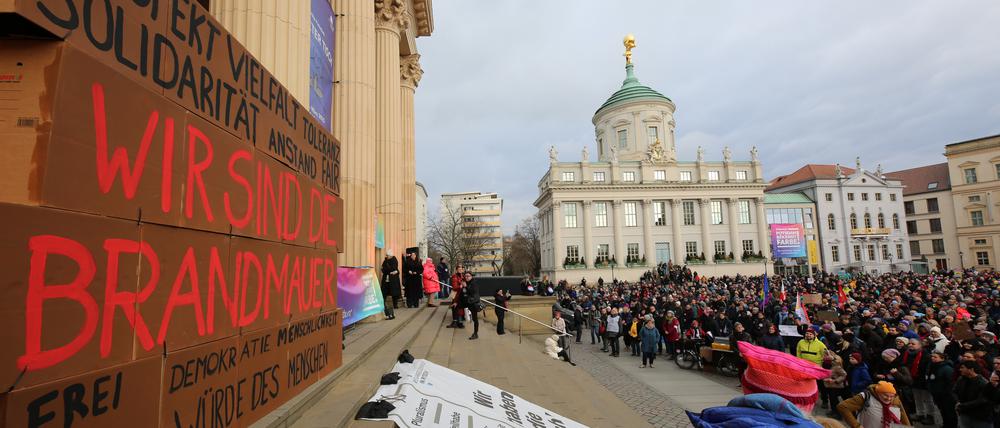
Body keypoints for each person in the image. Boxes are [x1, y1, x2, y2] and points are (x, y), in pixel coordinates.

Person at [836, 380, 911, 428]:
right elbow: (843, 407)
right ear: (878, 392)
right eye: (885, 395)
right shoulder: (865, 397)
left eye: (891, 396)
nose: (888, 398)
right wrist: (856, 425)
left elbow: (903, 415)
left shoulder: (896, 400)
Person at [954, 360, 993, 428]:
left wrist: (961, 405)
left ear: (971, 369)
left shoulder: (983, 383)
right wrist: (957, 402)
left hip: (980, 418)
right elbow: (954, 391)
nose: (960, 369)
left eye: (962, 367)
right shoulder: (961, 379)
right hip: (964, 414)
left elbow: (982, 400)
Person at [926, 351, 957, 428]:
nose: (932, 358)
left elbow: (951, 382)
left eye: (935, 357)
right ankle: (945, 424)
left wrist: (946, 392)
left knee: (949, 412)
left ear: (942, 358)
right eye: (932, 356)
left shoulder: (947, 368)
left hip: (946, 395)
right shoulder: (933, 365)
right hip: (937, 393)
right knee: (943, 411)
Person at [822, 351, 848, 417]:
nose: (823, 357)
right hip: (829, 386)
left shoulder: (836, 365)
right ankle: (833, 411)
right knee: (831, 399)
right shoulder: (825, 364)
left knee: (835, 400)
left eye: (825, 355)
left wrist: (835, 380)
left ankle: (838, 414)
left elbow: (844, 374)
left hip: (836, 386)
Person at [380, 250, 401, 318]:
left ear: (391, 256)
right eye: (386, 255)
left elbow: (394, 269)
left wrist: (394, 271)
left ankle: (395, 305)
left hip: (393, 280)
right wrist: (390, 270)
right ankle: (383, 304)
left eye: (387, 255)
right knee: (384, 292)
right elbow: (383, 269)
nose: (386, 256)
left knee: (394, 293)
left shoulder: (394, 260)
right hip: (386, 279)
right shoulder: (385, 261)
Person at [462, 272, 481, 340]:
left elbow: (473, 292)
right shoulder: (467, 283)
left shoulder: (474, 283)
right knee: (472, 318)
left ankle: (475, 333)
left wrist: (465, 287)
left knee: (475, 319)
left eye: (468, 276)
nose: (466, 277)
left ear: (471, 276)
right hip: (468, 302)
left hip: (473, 303)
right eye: (466, 276)